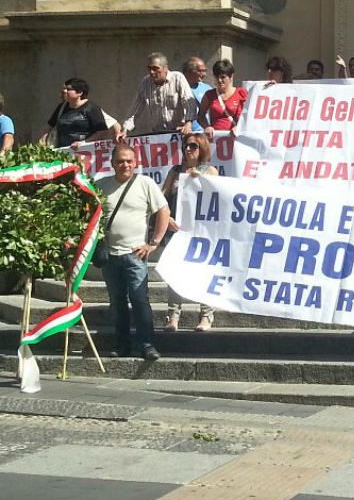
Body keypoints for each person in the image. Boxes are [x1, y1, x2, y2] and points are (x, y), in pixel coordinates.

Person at [96, 144, 170, 361]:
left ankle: (147, 345)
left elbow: (163, 211)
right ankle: (122, 345)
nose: (125, 165)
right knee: (117, 302)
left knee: (139, 300)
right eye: (120, 161)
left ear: (135, 162)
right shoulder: (101, 185)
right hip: (110, 255)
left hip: (135, 254)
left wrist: (153, 243)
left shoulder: (145, 183)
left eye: (129, 161)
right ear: (112, 163)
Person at [161, 133, 218, 331]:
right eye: (186, 145)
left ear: (202, 149)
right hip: (177, 231)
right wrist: (166, 218)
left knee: (203, 272)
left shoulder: (210, 170)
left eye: (193, 146)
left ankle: (206, 315)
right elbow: (162, 198)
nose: (188, 149)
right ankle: (173, 315)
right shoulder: (175, 171)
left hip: (201, 232)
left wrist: (200, 178)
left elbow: (217, 196)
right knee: (174, 273)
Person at [118, 53, 198, 139]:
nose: (152, 72)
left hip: (179, 133)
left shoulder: (177, 78)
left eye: (155, 68)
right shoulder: (145, 83)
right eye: (149, 68)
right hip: (158, 135)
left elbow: (190, 102)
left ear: (165, 68)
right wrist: (125, 129)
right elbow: (135, 109)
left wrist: (188, 124)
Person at [40, 78, 121, 148]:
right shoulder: (61, 107)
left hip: (84, 152)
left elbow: (104, 130)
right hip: (63, 151)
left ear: (79, 93)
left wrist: (84, 143)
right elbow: (49, 127)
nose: (64, 91)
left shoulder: (91, 108)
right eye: (64, 89)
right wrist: (43, 143)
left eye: (68, 89)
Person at [197, 59, 248, 137]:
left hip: (236, 137)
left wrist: (239, 127)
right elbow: (200, 116)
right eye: (217, 77)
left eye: (223, 77)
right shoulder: (209, 95)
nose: (219, 80)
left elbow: (249, 116)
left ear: (231, 76)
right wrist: (207, 127)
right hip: (216, 138)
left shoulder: (241, 93)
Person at [181, 57, 211, 131]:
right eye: (200, 71)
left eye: (204, 71)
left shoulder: (207, 89)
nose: (204, 74)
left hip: (204, 133)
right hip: (184, 133)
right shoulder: (177, 88)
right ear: (189, 71)